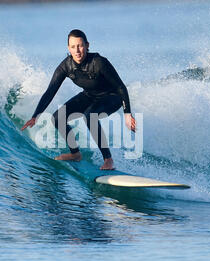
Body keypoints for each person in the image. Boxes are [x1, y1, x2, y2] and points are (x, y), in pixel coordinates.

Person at [21, 29, 136, 170]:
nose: (77, 51)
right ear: (68, 48)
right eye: (73, 47)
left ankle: (108, 160)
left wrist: (127, 114)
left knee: (90, 116)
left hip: (112, 96)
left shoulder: (99, 62)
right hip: (90, 95)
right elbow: (50, 91)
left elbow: (121, 87)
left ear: (87, 45)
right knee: (57, 118)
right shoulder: (66, 66)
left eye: (80, 46)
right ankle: (75, 153)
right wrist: (35, 115)